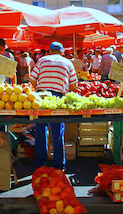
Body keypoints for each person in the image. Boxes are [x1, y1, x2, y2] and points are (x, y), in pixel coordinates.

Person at [29, 41, 78, 171]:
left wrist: (38, 89)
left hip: (42, 97)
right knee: (58, 131)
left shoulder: (42, 60)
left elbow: (32, 78)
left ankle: (40, 163)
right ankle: (58, 165)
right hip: (58, 98)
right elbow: (74, 86)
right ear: (62, 52)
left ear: (50, 51)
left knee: (41, 129)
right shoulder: (67, 62)